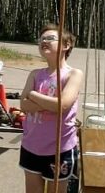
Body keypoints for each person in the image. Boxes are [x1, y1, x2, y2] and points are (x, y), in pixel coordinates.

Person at [18, 24, 84, 193]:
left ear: (66, 45)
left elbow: (62, 105)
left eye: (50, 38)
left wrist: (32, 93)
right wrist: (50, 103)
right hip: (31, 145)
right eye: (41, 39)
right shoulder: (35, 74)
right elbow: (23, 105)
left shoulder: (73, 74)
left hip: (59, 149)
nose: (44, 41)